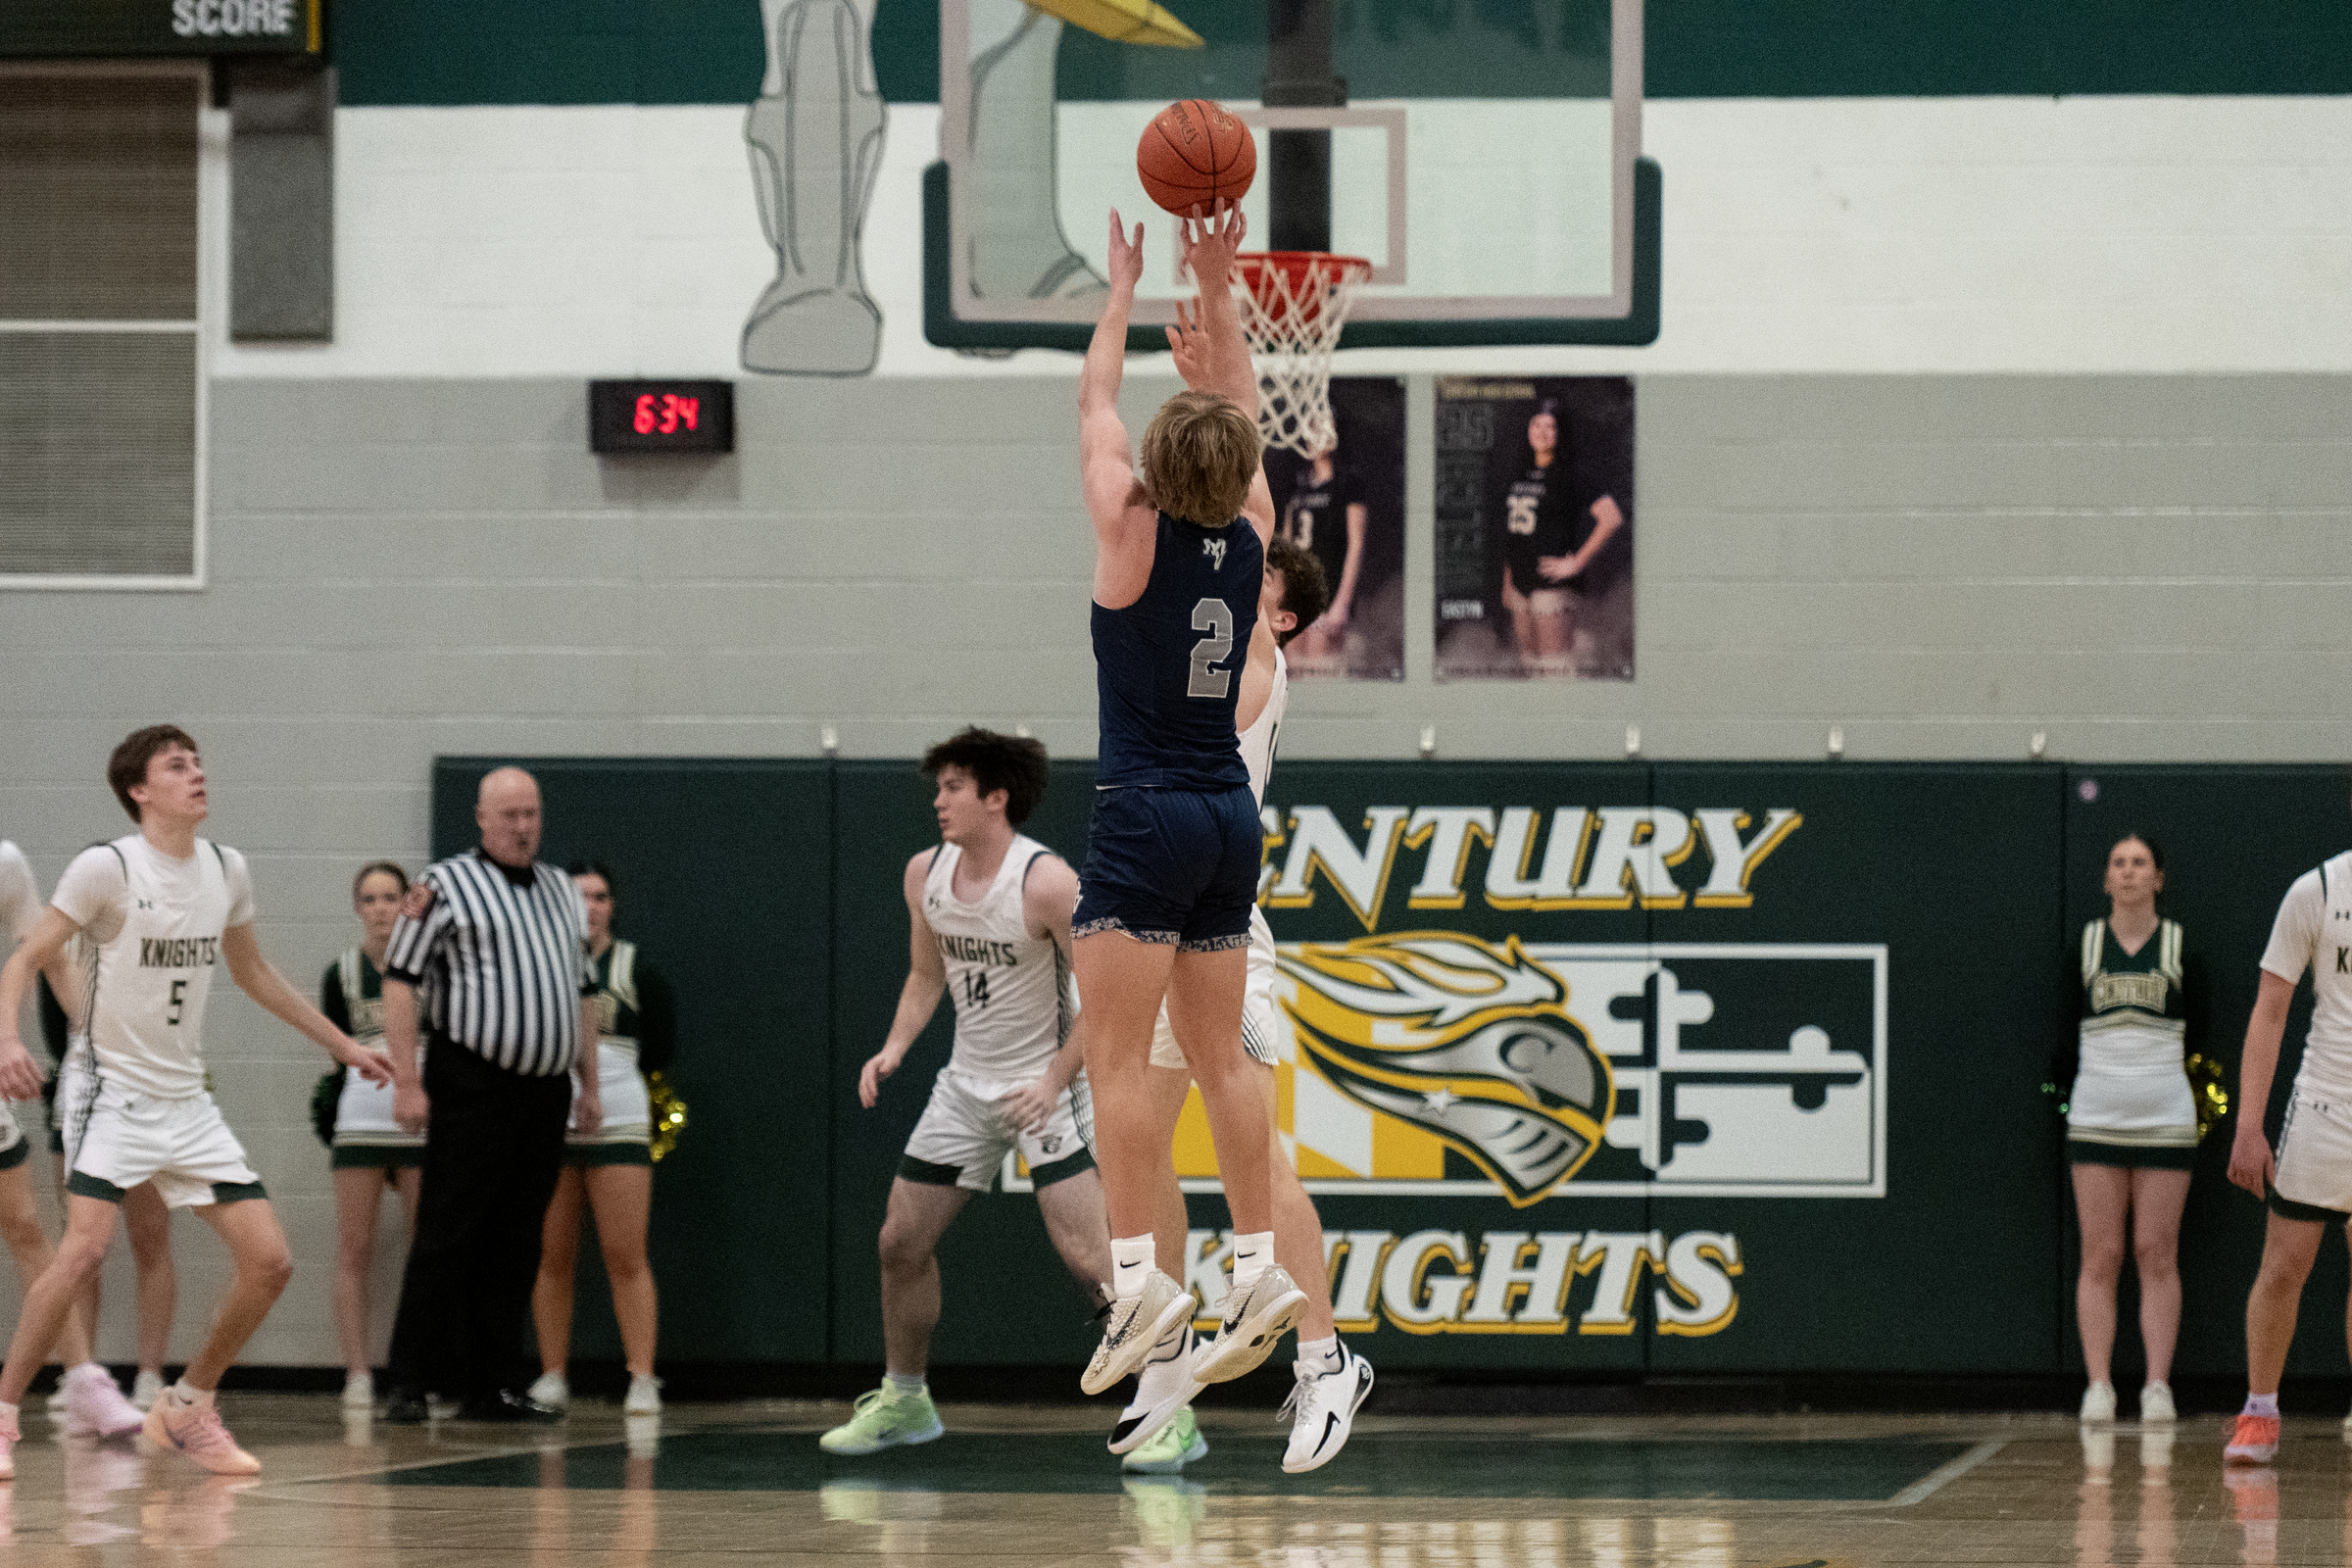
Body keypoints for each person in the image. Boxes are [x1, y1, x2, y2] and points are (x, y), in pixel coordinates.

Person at [0, 725, 391, 1477]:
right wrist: (13, 1042)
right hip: (107, 1091)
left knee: (270, 1262)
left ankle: (186, 1406)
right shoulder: (106, 868)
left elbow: (253, 972)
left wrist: (341, 1044)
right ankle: (7, 1414)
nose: (197, 773)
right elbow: (27, 958)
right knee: (83, 1249)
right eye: (177, 766)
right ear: (140, 791)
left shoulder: (226, 868)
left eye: (198, 761)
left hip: (185, 1100)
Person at [1072, 201, 1303, 1400]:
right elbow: (1249, 425)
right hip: (1229, 814)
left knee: (1114, 1060)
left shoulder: (1128, 529)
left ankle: (1139, 1277)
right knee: (1224, 1062)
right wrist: (1218, 291)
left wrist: (1121, 292)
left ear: (1157, 471)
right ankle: (1259, 1262)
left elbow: (1096, 404)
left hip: (1145, 807)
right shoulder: (1255, 536)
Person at [1118, 533, 1374, 1476]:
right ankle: (1170, 1345)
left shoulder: (1253, 659)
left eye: (1251, 577)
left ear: (1282, 614)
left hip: (1224, 931)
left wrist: (1225, 405)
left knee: (1256, 1159)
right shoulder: (1191, 648)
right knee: (1137, 1138)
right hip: (1153, 920)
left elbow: (1244, 510)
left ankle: (1326, 1358)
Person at [821, 729, 1109, 1454]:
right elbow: (927, 975)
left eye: (953, 786)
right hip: (965, 1085)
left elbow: (1106, 1000)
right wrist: (893, 1048)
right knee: (900, 1241)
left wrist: (1051, 1081)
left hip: (1046, 1084)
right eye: (939, 785)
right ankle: (906, 1400)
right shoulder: (926, 873)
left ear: (996, 798)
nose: (939, 800)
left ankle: (1171, 1407)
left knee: (1093, 1261)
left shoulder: (1047, 883)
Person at [380, 766, 602, 1424]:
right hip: (473, 1081)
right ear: (480, 818)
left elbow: (583, 993)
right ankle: (413, 1380)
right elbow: (400, 980)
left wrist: (588, 1085)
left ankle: (495, 1383)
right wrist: (407, 1080)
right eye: (509, 815)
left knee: (517, 1239)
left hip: (545, 1090)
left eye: (531, 814)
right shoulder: (442, 885)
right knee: (449, 1232)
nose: (522, 826)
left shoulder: (563, 890)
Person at [1, 843, 148, 1443]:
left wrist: (100, 1035)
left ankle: (83, 1378)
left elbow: (52, 958)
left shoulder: (9, 862)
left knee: (27, 1227)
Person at [2057, 834, 2197, 1426]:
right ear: (2106, 878)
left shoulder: (2181, 945)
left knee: (2155, 1252)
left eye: (2141, 863)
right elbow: (2065, 1033)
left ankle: (2157, 1386)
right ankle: (2099, 1386)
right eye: (2119, 863)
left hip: (2166, 1116)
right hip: (2096, 1116)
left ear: (2158, 878)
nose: (2130, 872)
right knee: (2102, 1253)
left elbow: (2204, 1031)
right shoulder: (2087, 945)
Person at [529, 860, 676, 1418]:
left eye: (600, 897)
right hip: (552, 1123)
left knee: (625, 1255)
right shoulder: (541, 964)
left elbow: (659, 1049)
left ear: (613, 906)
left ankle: (641, 1376)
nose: (590, 907)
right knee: (551, 1256)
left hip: (619, 1121)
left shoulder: (636, 967)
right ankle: (551, 1374)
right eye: (579, 897)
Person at [2225, 834, 2352, 1464]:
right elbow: (2270, 1011)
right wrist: (2249, 1125)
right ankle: (2260, 1411)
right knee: (2282, 1269)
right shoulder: (2318, 890)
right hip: (2326, 1105)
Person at [37, 944, 178, 1413]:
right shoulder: (61, 946)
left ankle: (151, 1374)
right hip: (81, 1098)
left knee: (150, 1237)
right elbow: (58, 1034)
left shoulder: (157, 942)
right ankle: (82, 1375)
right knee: (81, 1247)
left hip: (147, 1096)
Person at [318, 860, 425, 1411]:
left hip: (419, 1117)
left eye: (391, 897)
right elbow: (336, 1051)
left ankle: (423, 1370)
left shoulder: (432, 965)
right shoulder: (340, 972)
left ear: (407, 903)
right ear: (357, 907)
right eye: (370, 898)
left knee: (425, 1245)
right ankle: (357, 1373)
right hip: (361, 1116)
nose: (381, 908)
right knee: (354, 1248)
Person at [1496, 401, 1625, 677]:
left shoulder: (1571, 474)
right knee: (1531, 667)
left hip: (1552, 584)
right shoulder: (1520, 472)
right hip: (1520, 583)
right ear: (1528, 429)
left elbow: (1611, 517)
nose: (1542, 432)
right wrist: (1508, 579)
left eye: (1550, 427)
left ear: (1560, 433)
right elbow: (1515, 531)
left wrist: (1577, 563)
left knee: (1556, 674)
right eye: (1536, 424)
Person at [1275, 436, 1365, 667]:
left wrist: (1342, 603)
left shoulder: (1347, 482)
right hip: (1298, 592)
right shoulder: (1297, 482)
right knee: (1293, 668)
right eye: (1312, 428)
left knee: (1320, 668)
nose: (1318, 435)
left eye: (1324, 426)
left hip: (1328, 590)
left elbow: (1355, 545)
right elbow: (1286, 545)